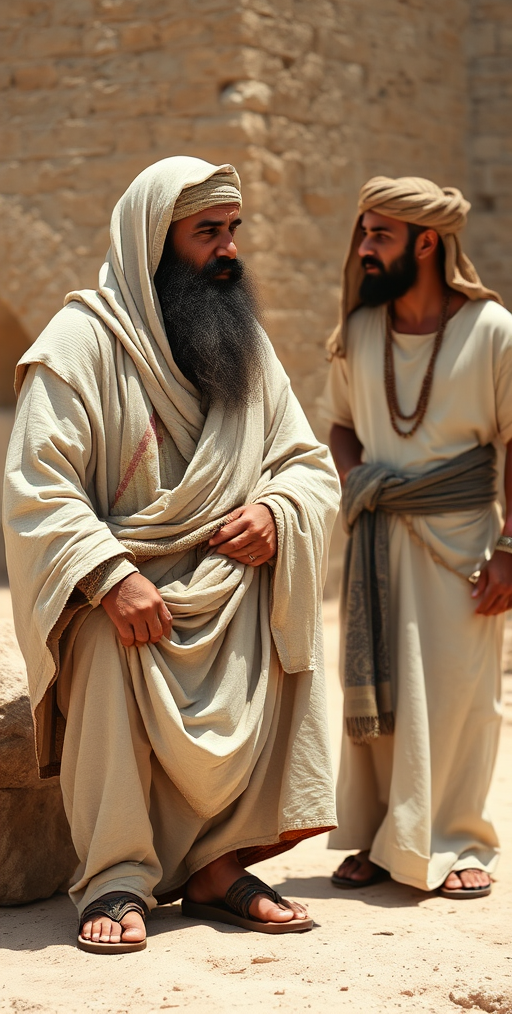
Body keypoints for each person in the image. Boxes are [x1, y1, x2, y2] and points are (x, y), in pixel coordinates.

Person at [3, 156, 340, 953]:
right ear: (154, 242)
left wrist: (274, 511)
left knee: (268, 600)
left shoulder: (242, 341)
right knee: (97, 632)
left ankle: (216, 863)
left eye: (233, 231)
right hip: (121, 589)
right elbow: (34, 485)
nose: (229, 251)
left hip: (221, 583)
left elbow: (306, 463)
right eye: (207, 233)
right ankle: (118, 873)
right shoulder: (80, 342)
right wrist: (111, 576)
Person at [320, 175, 512, 899]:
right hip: (377, 540)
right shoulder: (360, 330)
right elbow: (341, 423)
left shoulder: (493, 331)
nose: (363, 248)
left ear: (426, 242)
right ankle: (377, 838)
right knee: (382, 692)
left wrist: (510, 549)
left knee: (460, 699)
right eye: (363, 232)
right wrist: (355, 478)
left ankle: (460, 839)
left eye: (380, 234)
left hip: (464, 545)